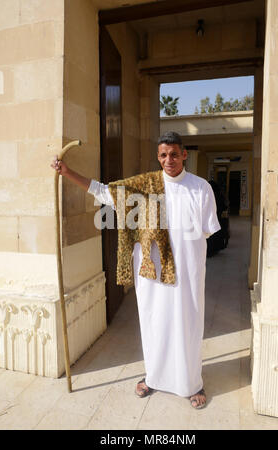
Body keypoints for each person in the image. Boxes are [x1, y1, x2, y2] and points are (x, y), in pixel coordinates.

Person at [51, 131, 221, 409]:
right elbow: (105, 192)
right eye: (164, 155)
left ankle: (193, 384)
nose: (169, 160)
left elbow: (206, 231)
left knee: (188, 325)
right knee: (154, 323)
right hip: (152, 273)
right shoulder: (144, 186)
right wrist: (68, 172)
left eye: (175, 154)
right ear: (158, 156)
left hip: (188, 273)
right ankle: (153, 377)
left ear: (184, 155)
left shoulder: (201, 187)